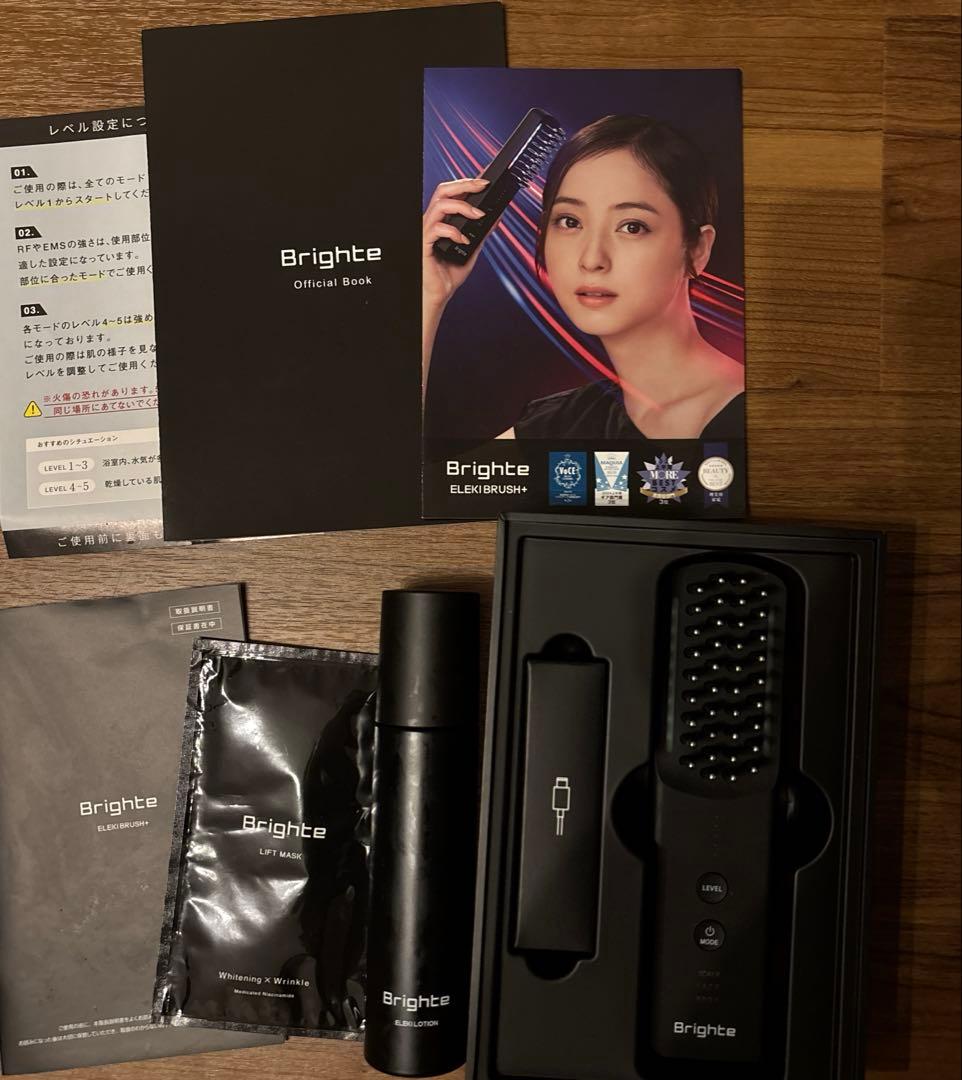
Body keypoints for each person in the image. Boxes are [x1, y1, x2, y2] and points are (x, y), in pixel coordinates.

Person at [422, 113, 744, 440]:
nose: (592, 260)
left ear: (697, 249)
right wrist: (429, 295)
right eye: (570, 222)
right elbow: (406, 471)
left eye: (632, 227)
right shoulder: (563, 425)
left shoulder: (747, 414)